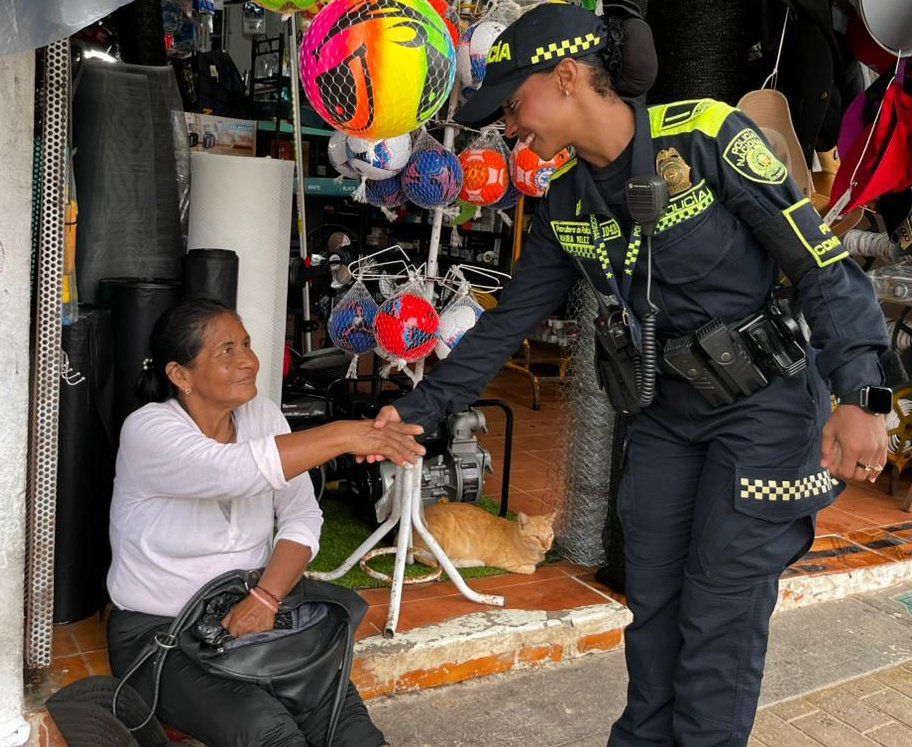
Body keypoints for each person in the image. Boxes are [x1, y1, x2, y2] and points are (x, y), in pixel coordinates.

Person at [369, 3, 890, 745]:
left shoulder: (709, 137)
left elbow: (820, 263)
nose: (513, 128)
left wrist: (860, 392)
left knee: (717, 621)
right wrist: (421, 407)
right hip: (666, 418)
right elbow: (509, 318)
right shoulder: (565, 201)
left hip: (762, 416)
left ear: (569, 76)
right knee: (653, 615)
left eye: (516, 105)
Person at [106, 298, 425, 746]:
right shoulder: (148, 430)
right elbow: (229, 471)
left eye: (247, 345)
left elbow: (301, 514)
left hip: (253, 614)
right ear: (180, 375)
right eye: (226, 351)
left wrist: (266, 597)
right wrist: (343, 433)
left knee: (343, 719)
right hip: (161, 634)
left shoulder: (261, 415)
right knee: (268, 732)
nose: (248, 362)